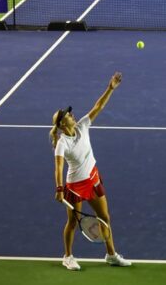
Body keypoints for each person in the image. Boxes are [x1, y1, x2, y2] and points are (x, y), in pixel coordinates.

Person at [51, 72, 131, 271]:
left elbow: (98, 106)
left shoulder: (83, 126)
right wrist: (60, 189)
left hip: (93, 179)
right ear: (62, 124)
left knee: (105, 218)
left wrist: (110, 88)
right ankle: (67, 256)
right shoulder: (62, 143)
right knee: (71, 223)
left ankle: (111, 255)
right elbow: (59, 167)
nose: (72, 115)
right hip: (75, 186)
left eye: (70, 113)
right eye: (68, 115)